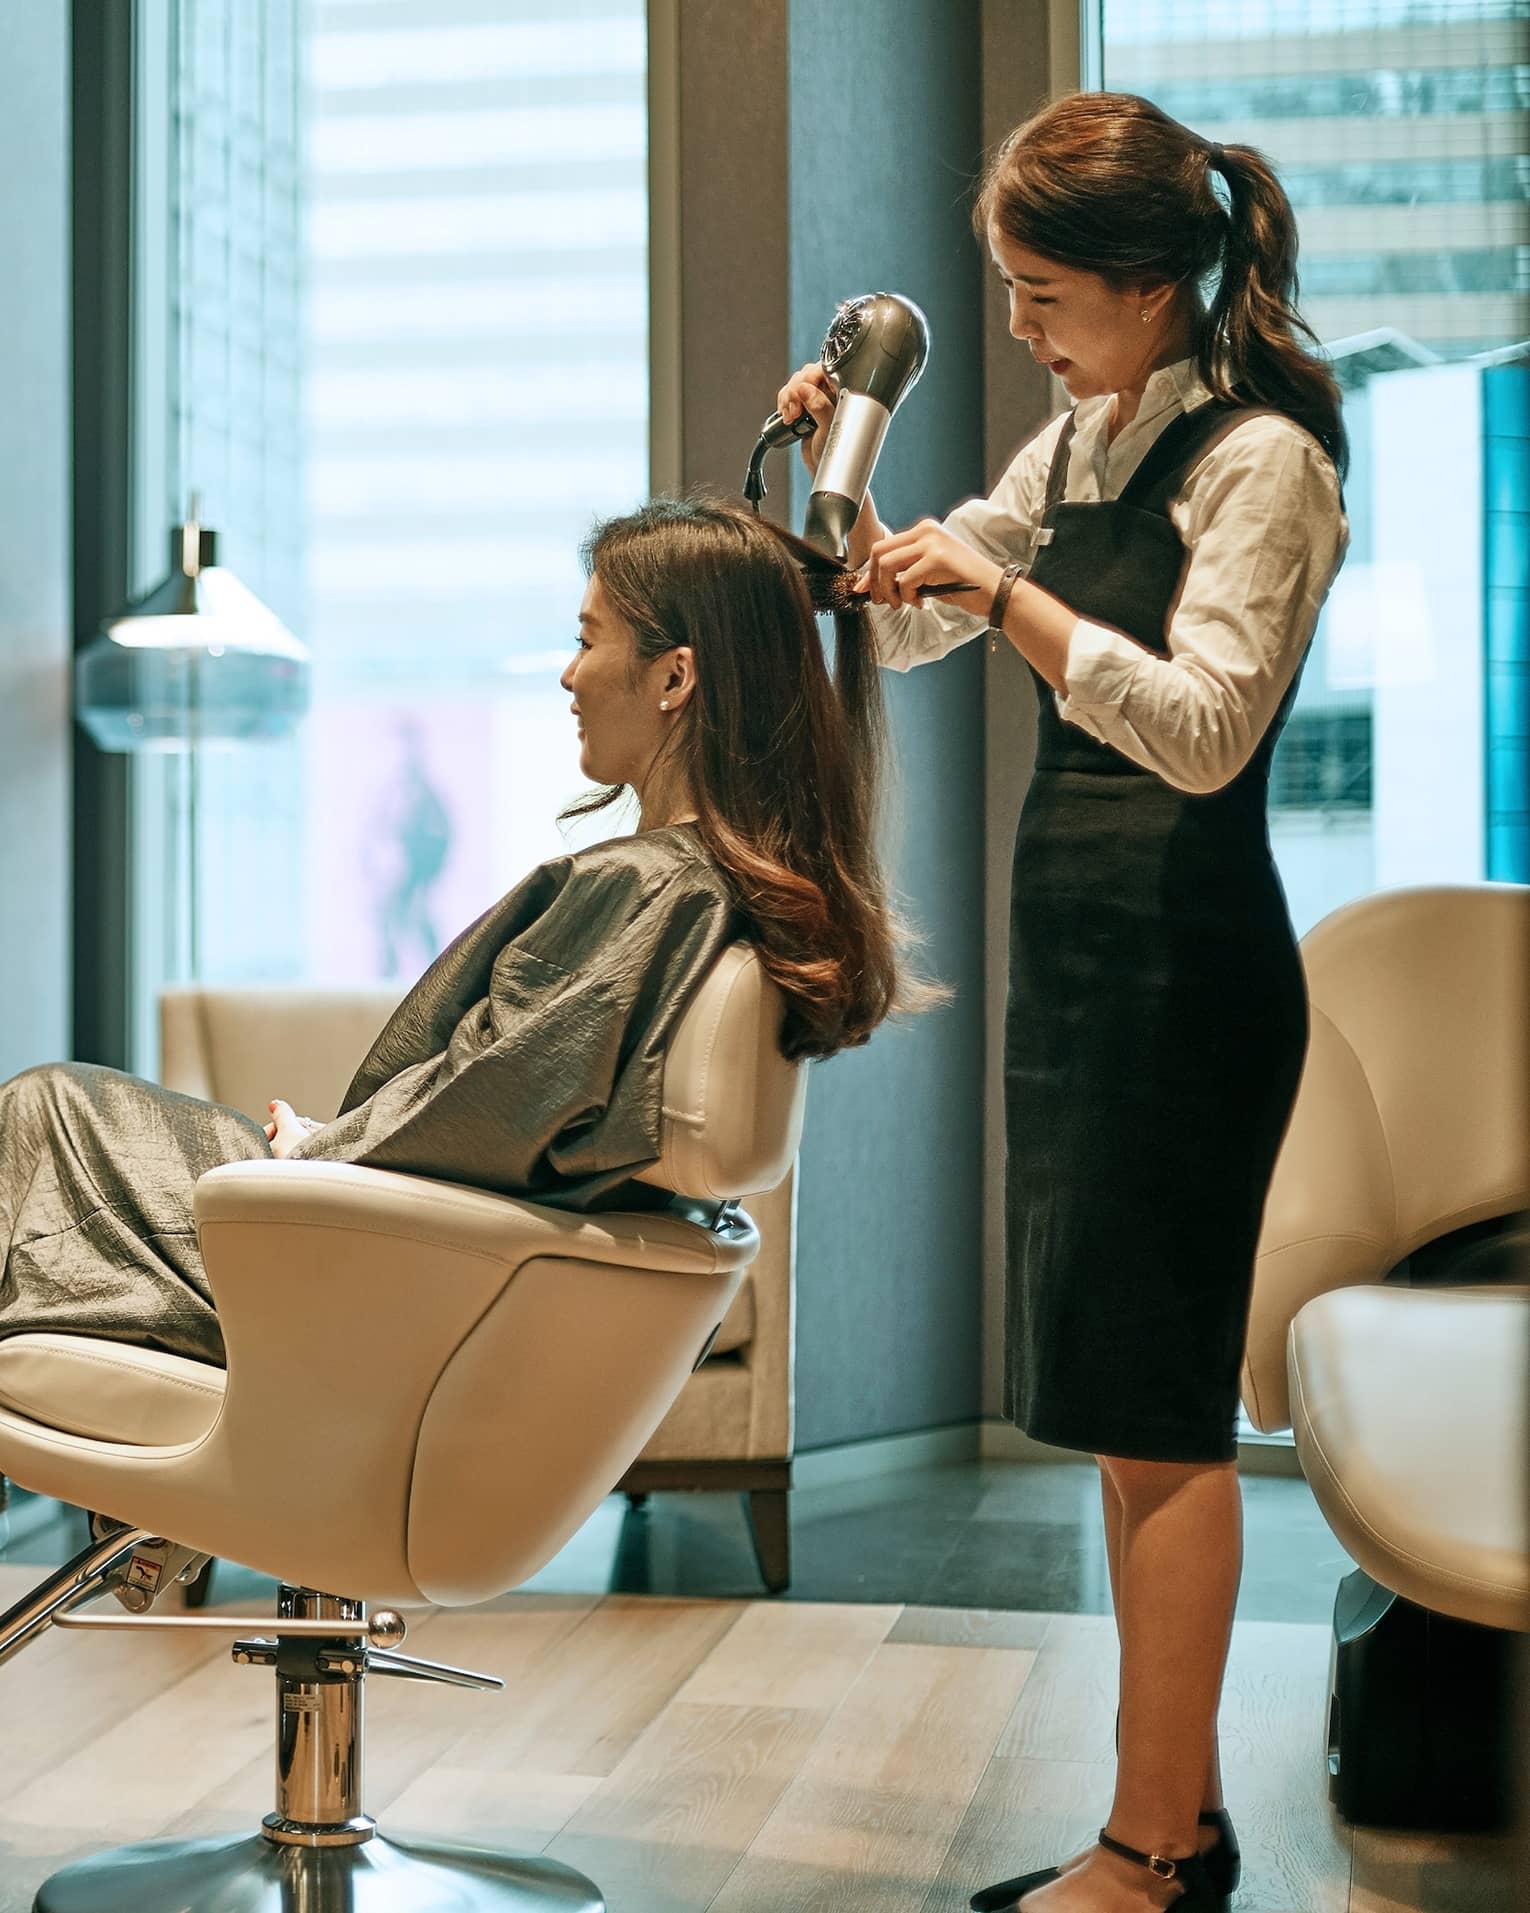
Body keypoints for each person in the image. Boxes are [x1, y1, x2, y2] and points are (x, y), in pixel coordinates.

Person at [778, 91, 1348, 1913]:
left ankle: (1157, 1846)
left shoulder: (1262, 460)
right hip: (1083, 953)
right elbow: (911, 621)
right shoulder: (1088, 433)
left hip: (1191, 968)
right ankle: (1164, 1818)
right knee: (1121, 1410)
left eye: (1042, 295)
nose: (1020, 329)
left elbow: (1204, 728)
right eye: (1007, 295)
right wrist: (849, 499)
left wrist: (1006, 587)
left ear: (1150, 280)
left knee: (1162, 1410)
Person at [0, 498, 918, 1373]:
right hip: (427, 1245)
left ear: (675, 675)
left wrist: (319, 1153)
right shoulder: (714, 885)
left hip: (377, 1263)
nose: (569, 675)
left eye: (586, 639)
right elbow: (506, 1094)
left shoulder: (647, 885)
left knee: (44, 1112)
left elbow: (494, 1093)